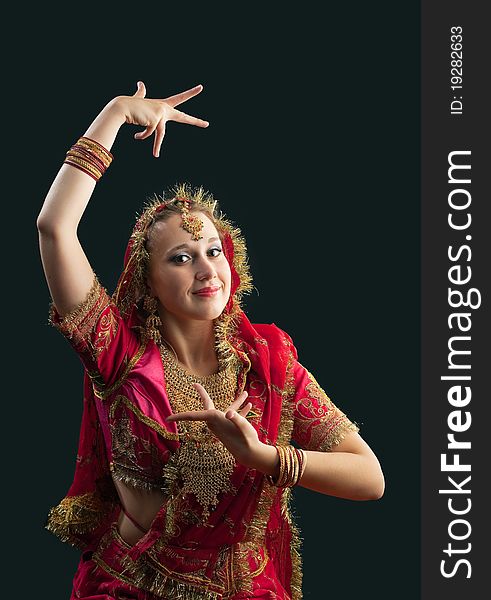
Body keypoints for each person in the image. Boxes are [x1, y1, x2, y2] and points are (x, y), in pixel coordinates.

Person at [37, 81, 385, 600]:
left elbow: (370, 477)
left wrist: (265, 457)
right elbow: (54, 228)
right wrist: (113, 115)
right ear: (145, 281)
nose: (206, 269)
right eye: (181, 257)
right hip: (133, 588)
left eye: (213, 251)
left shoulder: (269, 365)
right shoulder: (119, 355)